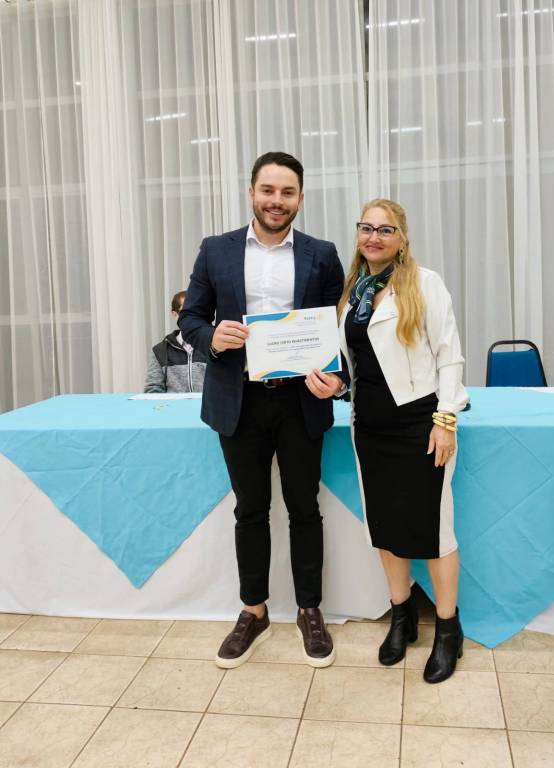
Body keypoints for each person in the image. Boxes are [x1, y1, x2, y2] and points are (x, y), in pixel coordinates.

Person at [179, 151, 348, 669]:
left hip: (301, 401)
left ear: (300, 197)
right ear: (252, 192)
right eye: (268, 190)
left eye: (287, 192)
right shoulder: (216, 249)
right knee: (250, 510)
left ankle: (309, 609)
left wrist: (338, 379)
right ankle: (253, 611)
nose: (277, 201)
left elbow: (335, 331)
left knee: (304, 509)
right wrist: (213, 337)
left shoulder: (322, 254)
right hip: (239, 402)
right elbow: (191, 319)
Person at [308, 198, 469, 683]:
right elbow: (356, 364)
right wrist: (336, 386)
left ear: (401, 238)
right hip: (369, 427)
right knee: (384, 526)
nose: (374, 237)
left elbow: (450, 355)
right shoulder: (352, 292)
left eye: (385, 229)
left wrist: (445, 420)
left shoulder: (424, 282)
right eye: (367, 228)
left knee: (433, 531)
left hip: (420, 425)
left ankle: (448, 629)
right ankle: (402, 617)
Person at [144, 290, 207, 394]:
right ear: (175, 314)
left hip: (207, 405)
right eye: (186, 311)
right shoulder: (160, 351)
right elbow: (152, 391)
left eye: (196, 310)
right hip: (172, 405)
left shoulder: (214, 346)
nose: (192, 316)